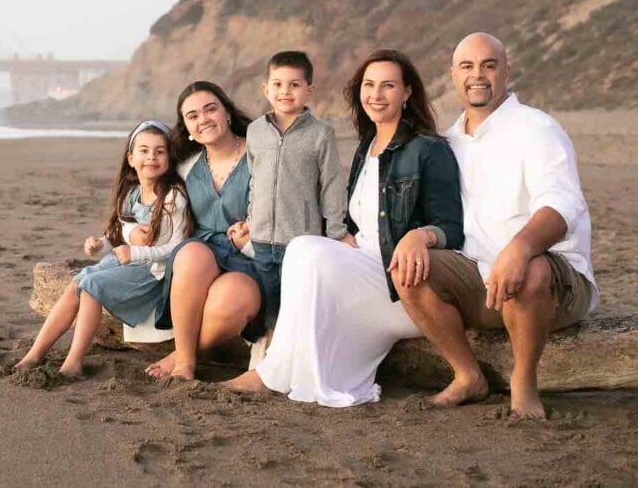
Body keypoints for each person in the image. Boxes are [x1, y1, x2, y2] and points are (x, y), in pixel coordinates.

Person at [225, 49, 464, 406]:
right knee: (305, 250)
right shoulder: (367, 146)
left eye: (388, 85)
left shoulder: (428, 149)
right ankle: (274, 368)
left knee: (305, 249)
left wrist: (420, 236)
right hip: (361, 266)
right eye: (369, 85)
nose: (376, 95)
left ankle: (269, 373)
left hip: (398, 281)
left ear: (407, 92)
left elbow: (451, 227)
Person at [396, 32, 598, 419]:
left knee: (531, 268)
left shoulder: (536, 128)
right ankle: (468, 375)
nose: (478, 75)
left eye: (489, 65)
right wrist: (415, 236)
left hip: (553, 285)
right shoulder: (447, 143)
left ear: (507, 71)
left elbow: (562, 204)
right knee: (407, 269)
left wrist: (519, 248)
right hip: (480, 282)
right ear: (453, 75)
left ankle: (523, 385)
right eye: (468, 67)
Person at [15, 120, 192, 377]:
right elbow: (121, 234)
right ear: (131, 158)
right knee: (78, 282)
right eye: (143, 151)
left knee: (92, 288)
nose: (151, 157)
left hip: (154, 273)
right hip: (129, 262)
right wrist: (102, 243)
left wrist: (136, 253)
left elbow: (178, 247)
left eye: (159, 151)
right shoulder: (131, 193)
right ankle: (34, 354)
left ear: (169, 157)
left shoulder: (173, 197)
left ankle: (73, 362)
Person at [143, 81, 262, 381]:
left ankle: (180, 354)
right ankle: (186, 365)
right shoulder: (186, 166)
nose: (203, 119)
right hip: (201, 258)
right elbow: (144, 190)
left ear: (228, 113)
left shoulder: (261, 154)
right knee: (194, 252)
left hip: (250, 257)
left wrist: (250, 239)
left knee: (235, 298)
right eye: (192, 116)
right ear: (187, 128)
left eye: (211, 109)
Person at [228, 50, 347, 336]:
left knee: (299, 303)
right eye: (278, 84)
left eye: (295, 84)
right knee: (270, 303)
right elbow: (255, 179)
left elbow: (331, 184)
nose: (285, 91)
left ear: (310, 90)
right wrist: (251, 217)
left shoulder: (321, 134)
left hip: (301, 239)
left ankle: (298, 353)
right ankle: (269, 354)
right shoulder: (255, 131)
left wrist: (337, 232)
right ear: (266, 89)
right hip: (261, 238)